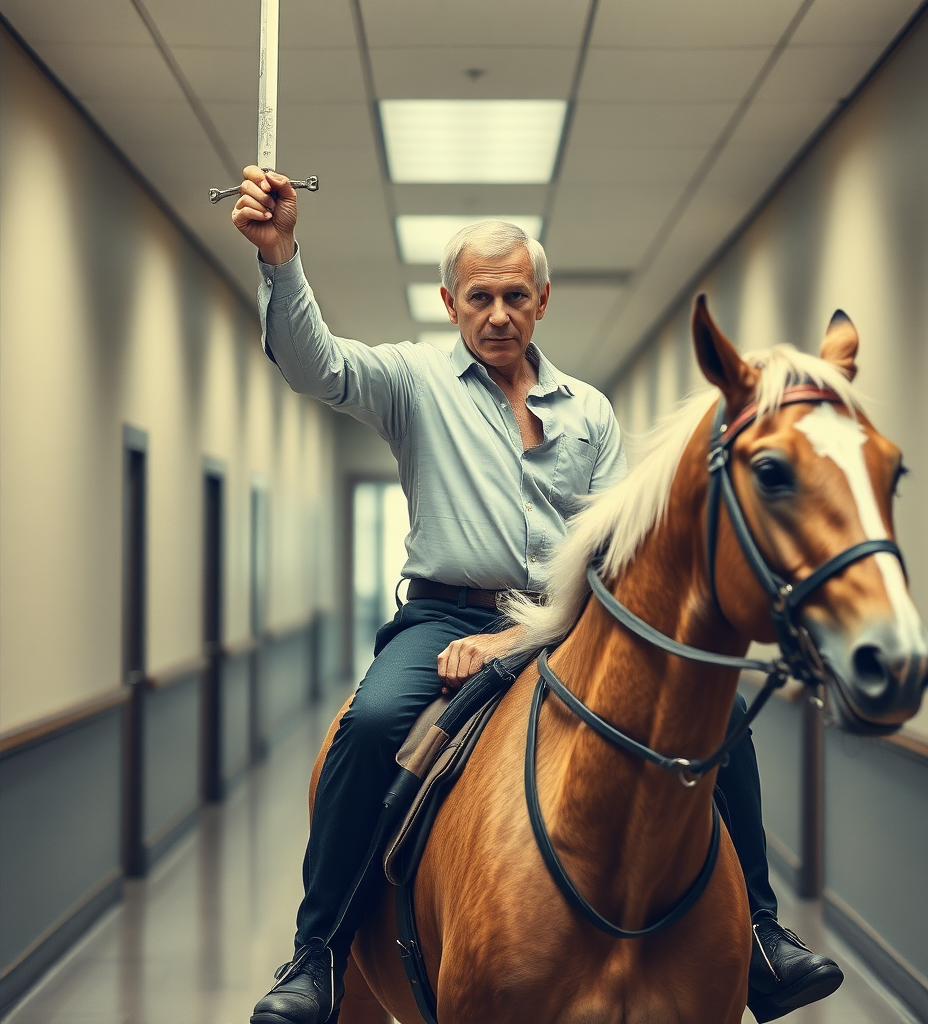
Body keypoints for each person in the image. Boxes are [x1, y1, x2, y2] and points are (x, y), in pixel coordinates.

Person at [230, 167, 843, 1024]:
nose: (497, 315)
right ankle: (319, 956)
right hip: (444, 616)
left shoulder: (588, 413)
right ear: (449, 302)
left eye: (515, 296)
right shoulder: (414, 383)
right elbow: (315, 365)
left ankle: (765, 942)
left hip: (568, 625)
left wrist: (520, 642)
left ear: (542, 300)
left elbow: (616, 554)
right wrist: (279, 256)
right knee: (368, 728)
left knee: (723, 726)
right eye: (478, 297)